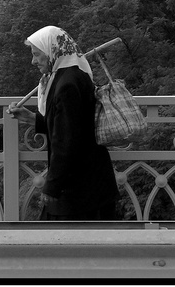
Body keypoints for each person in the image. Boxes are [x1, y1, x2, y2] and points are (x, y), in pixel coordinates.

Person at [7, 26, 119, 220]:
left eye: (36, 54)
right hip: (87, 183)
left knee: (61, 236)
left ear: (52, 52)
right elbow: (68, 124)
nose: (33, 61)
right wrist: (30, 118)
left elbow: (66, 140)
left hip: (80, 187)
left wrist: (52, 186)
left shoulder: (67, 84)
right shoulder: (69, 76)